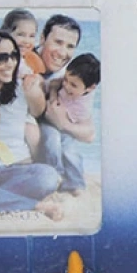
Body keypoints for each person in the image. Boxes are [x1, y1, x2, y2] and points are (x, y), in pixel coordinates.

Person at [0, 28, 63, 220]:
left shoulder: (24, 87)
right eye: (0, 58)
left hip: (17, 169)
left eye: (14, 56)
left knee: (48, 176)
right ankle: (33, 204)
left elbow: (38, 110)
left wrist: (35, 88)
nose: (10, 63)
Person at [43, 53, 100, 195]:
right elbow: (53, 85)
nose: (67, 86)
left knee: (70, 150)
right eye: (66, 80)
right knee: (52, 141)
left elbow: (87, 134)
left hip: (65, 126)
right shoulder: (67, 81)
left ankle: (75, 182)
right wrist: (53, 96)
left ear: (90, 88)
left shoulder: (83, 106)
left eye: (73, 85)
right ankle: (56, 174)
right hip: (49, 122)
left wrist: (63, 123)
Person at [0, 9, 45, 156]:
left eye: (32, 36)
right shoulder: (1, 57)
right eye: (21, 34)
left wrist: (36, 79)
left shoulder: (31, 59)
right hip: (3, 109)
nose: (27, 41)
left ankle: (35, 160)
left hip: (22, 110)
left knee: (33, 133)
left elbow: (39, 78)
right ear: (6, 33)